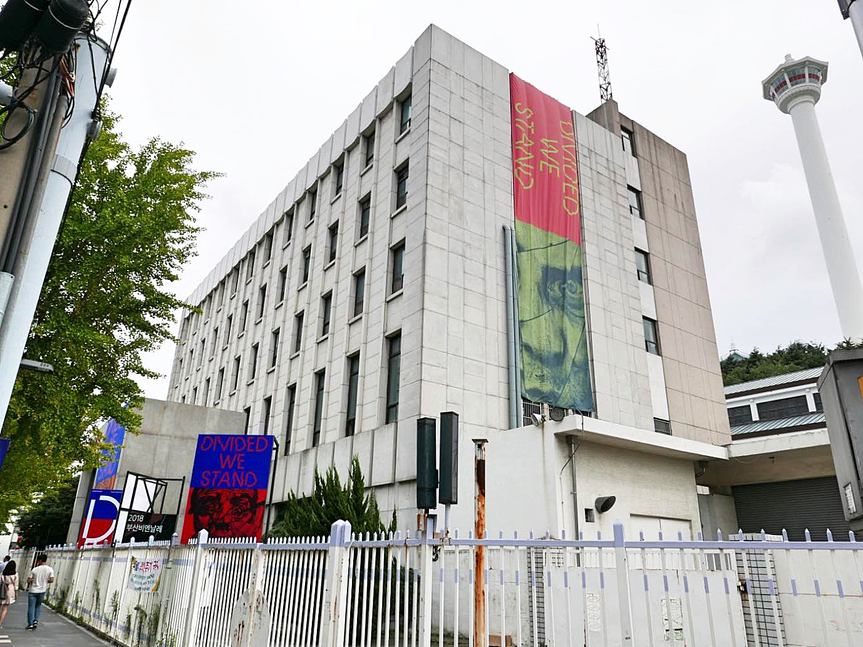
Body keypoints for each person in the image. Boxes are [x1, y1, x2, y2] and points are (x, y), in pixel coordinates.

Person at [26, 553, 54, 630]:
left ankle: (30, 624)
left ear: (40, 560)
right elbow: (51, 580)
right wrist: (45, 581)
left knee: (31, 607)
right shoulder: (50, 569)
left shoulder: (34, 569)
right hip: (42, 590)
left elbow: (28, 580)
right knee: (38, 606)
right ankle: (35, 620)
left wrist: (32, 580)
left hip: (33, 590)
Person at [0, 560, 18, 628]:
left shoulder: (3, 573)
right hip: (10, 589)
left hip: (2, 589)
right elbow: (16, 585)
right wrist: (16, 594)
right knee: (5, 608)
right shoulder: (15, 574)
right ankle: (0, 623)